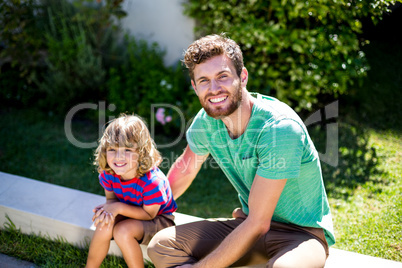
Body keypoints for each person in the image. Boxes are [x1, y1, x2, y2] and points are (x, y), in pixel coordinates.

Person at [147, 34, 335, 268]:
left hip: (301, 235)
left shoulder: (279, 129)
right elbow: (185, 170)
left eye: (223, 76)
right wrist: (145, 208)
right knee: (161, 246)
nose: (214, 89)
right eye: (204, 80)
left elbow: (259, 223)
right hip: (248, 224)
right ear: (195, 87)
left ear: (242, 77)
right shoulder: (207, 121)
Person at [86, 114, 177, 268]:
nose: (119, 157)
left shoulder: (152, 182)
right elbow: (112, 201)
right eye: (112, 149)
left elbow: (149, 214)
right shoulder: (108, 173)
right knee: (104, 223)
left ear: (141, 152)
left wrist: (118, 208)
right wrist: (108, 210)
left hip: (159, 220)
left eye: (127, 149)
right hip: (130, 213)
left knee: (122, 231)